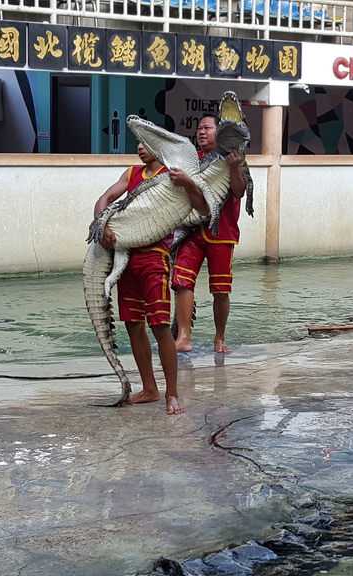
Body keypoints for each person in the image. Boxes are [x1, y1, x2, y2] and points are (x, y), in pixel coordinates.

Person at [94, 143, 196, 415]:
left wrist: (188, 183)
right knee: (132, 324)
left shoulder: (172, 175)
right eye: (137, 142)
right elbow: (104, 198)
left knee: (160, 325)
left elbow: (200, 206)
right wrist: (101, 224)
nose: (140, 147)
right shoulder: (131, 174)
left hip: (155, 257)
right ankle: (149, 388)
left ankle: (172, 393)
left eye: (145, 142)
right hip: (126, 257)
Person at [170, 114, 251, 354]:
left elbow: (238, 192)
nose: (201, 132)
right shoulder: (192, 160)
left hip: (221, 232)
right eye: (199, 128)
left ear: (220, 132)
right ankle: (184, 337)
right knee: (181, 281)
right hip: (191, 231)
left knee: (220, 289)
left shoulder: (234, 158)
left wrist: (235, 167)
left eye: (207, 128)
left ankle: (219, 338)